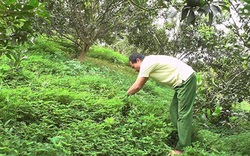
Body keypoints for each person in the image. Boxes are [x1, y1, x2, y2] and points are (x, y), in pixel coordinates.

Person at [127, 53, 197, 155]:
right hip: (181, 83)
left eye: (133, 67)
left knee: (183, 114)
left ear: (138, 60)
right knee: (174, 111)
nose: (134, 70)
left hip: (185, 80)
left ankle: (182, 148)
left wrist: (125, 96)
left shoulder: (146, 63)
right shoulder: (149, 62)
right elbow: (142, 81)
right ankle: (184, 137)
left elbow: (137, 86)